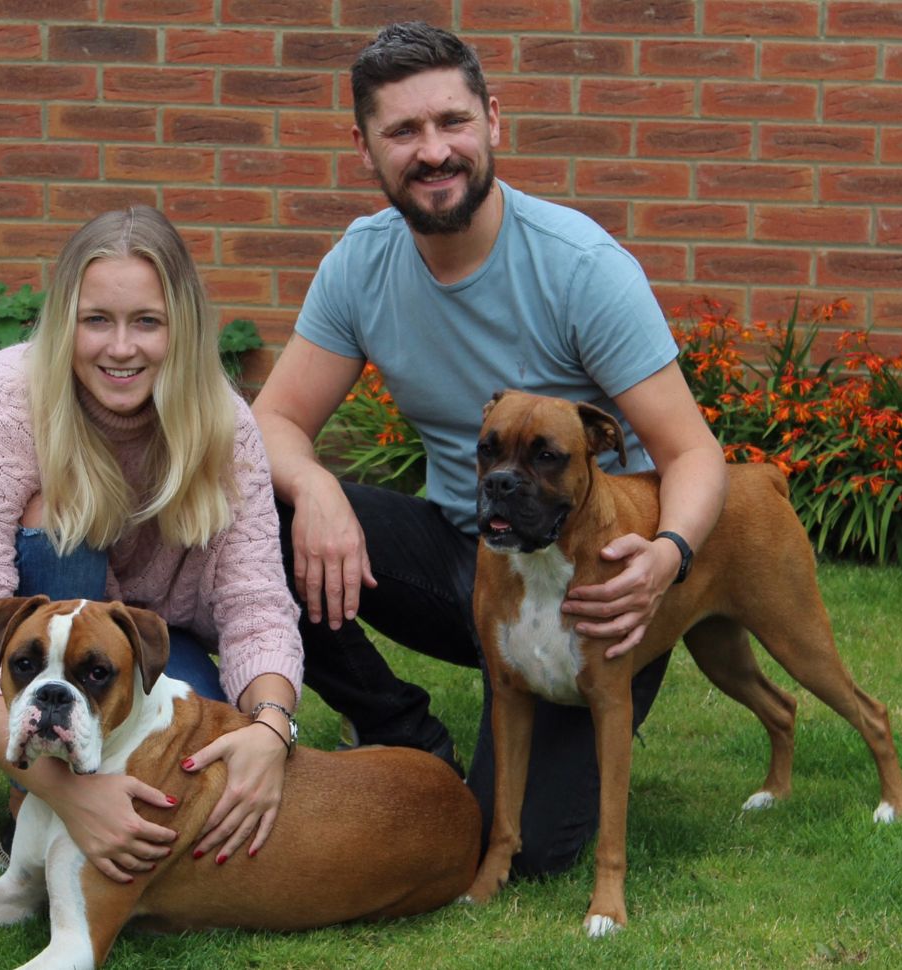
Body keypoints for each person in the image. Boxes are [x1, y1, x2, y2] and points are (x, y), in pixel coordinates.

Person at [251, 22, 729, 878]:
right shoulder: (361, 264)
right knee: (257, 505)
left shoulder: (580, 266)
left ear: (493, 122)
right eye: (403, 131)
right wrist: (316, 490)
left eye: (451, 123)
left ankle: (529, 738)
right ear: (364, 148)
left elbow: (693, 452)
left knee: (526, 847)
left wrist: (665, 558)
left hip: (595, 583)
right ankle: (401, 730)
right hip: (465, 553)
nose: (433, 152)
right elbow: (272, 424)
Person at [0, 206, 303, 882]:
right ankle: (32, 801)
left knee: (192, 779)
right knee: (60, 511)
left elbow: (256, 602)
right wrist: (69, 796)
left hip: (138, 635)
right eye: (96, 320)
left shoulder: (222, 420)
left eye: (147, 322)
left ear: (183, 327)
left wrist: (270, 730)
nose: (120, 348)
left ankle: (87, 777)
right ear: (64, 322)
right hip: (13, 634)